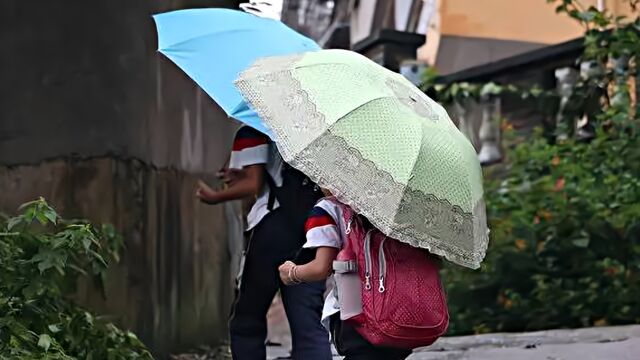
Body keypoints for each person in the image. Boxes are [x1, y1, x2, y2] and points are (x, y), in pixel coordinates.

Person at [196, 125, 332, 360]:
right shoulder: (312, 130)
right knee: (307, 322)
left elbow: (253, 182)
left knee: (247, 319)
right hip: (312, 230)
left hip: (273, 231)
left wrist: (214, 196)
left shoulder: (254, 129)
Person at [277, 195, 413, 360]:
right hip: (403, 311)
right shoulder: (391, 202)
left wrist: (292, 273)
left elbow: (321, 267)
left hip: (357, 315)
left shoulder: (328, 208)